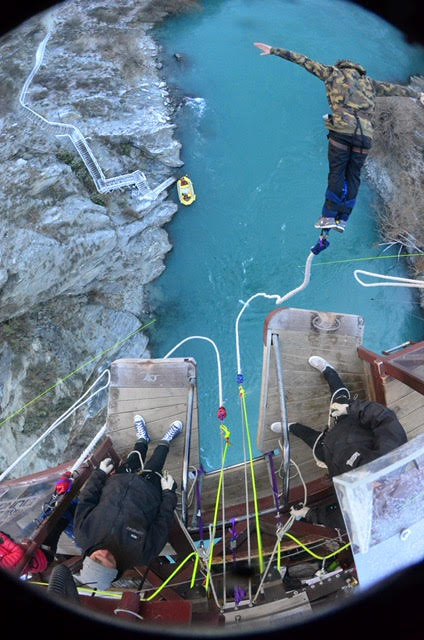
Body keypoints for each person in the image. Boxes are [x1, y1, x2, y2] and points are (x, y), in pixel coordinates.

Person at [254, 42, 424, 232]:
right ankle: (342, 219)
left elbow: (304, 61)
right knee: (353, 175)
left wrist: (274, 50)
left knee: (337, 172)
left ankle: (328, 216)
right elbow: (395, 90)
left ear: (341, 66)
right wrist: (418, 95)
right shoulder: (369, 83)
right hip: (365, 134)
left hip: (343, 128)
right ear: (359, 70)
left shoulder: (333, 73)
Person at [73, 415, 183, 591]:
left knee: (134, 457)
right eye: (108, 562)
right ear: (115, 571)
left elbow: (87, 499)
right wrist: (168, 494)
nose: (105, 554)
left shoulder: (82, 534)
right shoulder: (141, 555)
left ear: (87, 559)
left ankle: (142, 440)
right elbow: (162, 524)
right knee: (156, 463)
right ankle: (166, 440)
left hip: (118, 482)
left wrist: (99, 474)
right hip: (149, 492)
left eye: (96, 559)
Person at [271, 355, 407, 478]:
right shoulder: (391, 458)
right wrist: (349, 408)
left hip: (329, 453)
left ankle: (292, 427)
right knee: (339, 399)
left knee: (308, 438)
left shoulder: (358, 496)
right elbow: (384, 417)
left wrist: (330, 467)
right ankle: (329, 371)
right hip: (351, 427)